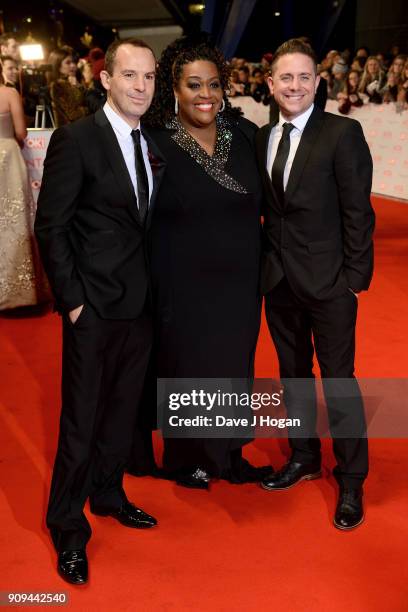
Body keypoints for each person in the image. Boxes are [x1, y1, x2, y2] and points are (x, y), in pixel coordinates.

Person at [34, 38, 164, 585]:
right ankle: (67, 524)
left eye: (149, 77)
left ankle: (108, 493)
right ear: (106, 79)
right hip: (93, 307)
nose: (141, 86)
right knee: (81, 420)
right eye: (130, 75)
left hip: (140, 305)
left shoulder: (150, 140)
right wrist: (74, 302)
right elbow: (51, 226)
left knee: (120, 413)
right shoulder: (77, 139)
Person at [134, 35, 271, 489]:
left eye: (213, 85)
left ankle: (230, 454)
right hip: (181, 279)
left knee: (234, 365)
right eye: (194, 85)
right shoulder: (154, 140)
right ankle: (187, 457)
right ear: (174, 87)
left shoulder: (247, 135)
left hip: (239, 281)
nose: (205, 95)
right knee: (188, 366)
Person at [255, 39, 375, 530]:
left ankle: (351, 478)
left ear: (317, 81)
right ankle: (304, 456)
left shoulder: (342, 133)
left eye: (305, 77)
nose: (295, 85)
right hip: (278, 280)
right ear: (270, 84)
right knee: (293, 376)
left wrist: (353, 281)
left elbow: (358, 213)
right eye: (286, 77)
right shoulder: (261, 137)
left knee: (339, 381)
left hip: (330, 283)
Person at [0, 76, 47, 309]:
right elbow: (21, 132)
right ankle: (21, 292)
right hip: (7, 157)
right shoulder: (9, 94)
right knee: (14, 219)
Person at [47, 46, 88, 126]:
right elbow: (73, 114)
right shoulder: (58, 85)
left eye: (74, 62)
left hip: (80, 129)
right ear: (58, 66)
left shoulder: (75, 82)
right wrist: (90, 109)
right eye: (68, 63)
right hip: (70, 133)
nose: (73, 65)